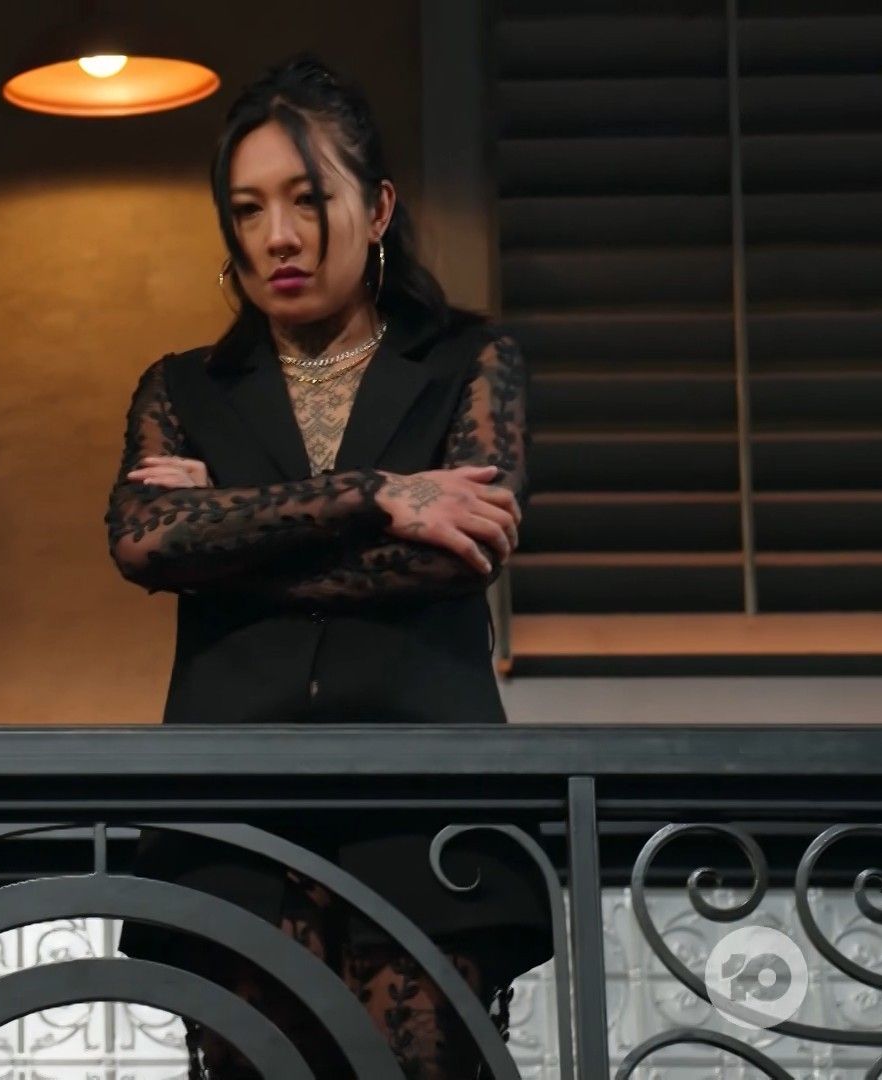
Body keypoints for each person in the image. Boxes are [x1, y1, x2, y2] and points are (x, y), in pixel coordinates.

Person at [105, 57, 544, 1079]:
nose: (278, 237)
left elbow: (456, 558)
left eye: (308, 201)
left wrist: (226, 533)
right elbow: (142, 540)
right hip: (231, 815)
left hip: (426, 810)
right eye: (248, 209)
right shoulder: (184, 386)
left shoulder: (471, 359)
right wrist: (375, 496)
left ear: (378, 207)